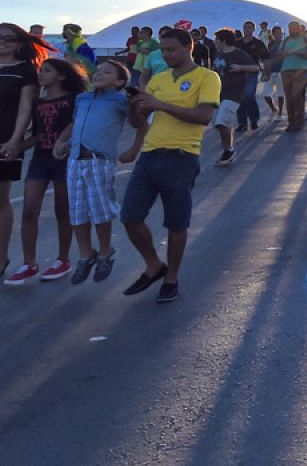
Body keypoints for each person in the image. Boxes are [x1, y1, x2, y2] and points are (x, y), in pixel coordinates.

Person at [122, 27, 221, 303]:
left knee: (176, 222)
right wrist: (135, 105)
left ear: (188, 47)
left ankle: (171, 277)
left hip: (182, 156)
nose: (165, 55)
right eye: (163, 50)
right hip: (150, 154)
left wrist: (160, 104)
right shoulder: (159, 79)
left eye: (171, 49)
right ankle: (154, 264)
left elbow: (203, 117)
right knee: (130, 216)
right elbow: (138, 122)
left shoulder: (207, 77)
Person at [55, 60, 145, 284]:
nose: (99, 74)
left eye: (107, 72)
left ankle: (105, 250)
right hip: (75, 160)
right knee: (77, 209)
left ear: (120, 81)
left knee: (100, 208)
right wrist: (62, 141)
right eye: (98, 71)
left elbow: (140, 124)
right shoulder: (83, 98)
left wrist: (134, 148)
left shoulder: (121, 100)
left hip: (99, 160)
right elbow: (76, 123)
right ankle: (86, 254)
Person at [4, 58, 85, 284]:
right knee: (29, 210)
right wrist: (15, 146)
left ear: (61, 76)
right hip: (40, 159)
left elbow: (78, 124)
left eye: (47, 71)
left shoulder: (73, 99)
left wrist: (62, 141)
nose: (41, 75)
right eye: (41, 71)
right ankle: (29, 263)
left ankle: (63, 259)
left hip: (64, 160)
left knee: (62, 210)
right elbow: (38, 135)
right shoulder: (38, 103)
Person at [0, 23, 45, 277]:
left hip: (5, 140)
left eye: (8, 38)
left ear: (19, 43)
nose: (2, 42)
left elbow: (25, 109)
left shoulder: (26, 71)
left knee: (0, 199)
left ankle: (2, 256)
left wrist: (16, 140)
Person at [210, 29, 259, 166]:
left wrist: (240, 67)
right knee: (220, 123)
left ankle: (229, 151)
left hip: (234, 92)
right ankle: (228, 149)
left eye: (216, 39)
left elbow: (255, 67)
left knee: (221, 121)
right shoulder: (218, 54)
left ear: (223, 40)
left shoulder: (238, 53)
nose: (214, 42)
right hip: (219, 92)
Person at [277, 21, 307, 131]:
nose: (293, 30)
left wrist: (299, 52)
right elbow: (279, 54)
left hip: (301, 70)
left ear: (300, 29)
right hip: (286, 70)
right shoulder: (286, 41)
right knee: (289, 97)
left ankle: (299, 120)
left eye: (295, 28)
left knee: (296, 95)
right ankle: (291, 122)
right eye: (291, 28)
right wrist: (283, 54)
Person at [237, 21, 271, 132]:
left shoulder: (258, 43)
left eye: (249, 27)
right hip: (238, 74)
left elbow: (265, 58)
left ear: (253, 29)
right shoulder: (237, 43)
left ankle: (254, 120)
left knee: (249, 97)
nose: (247, 29)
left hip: (252, 73)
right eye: (245, 27)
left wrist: (266, 73)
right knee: (240, 98)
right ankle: (242, 123)